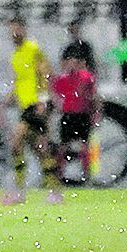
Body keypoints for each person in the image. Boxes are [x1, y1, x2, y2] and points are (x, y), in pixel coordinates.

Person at [2, 17, 55, 204]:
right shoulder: (15, 56)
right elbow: (19, 82)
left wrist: (43, 99)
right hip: (25, 105)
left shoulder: (33, 49)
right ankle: (54, 190)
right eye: (11, 30)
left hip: (37, 104)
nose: (14, 33)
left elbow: (46, 72)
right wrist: (4, 105)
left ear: (23, 30)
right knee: (39, 147)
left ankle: (19, 191)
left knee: (17, 141)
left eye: (17, 29)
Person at [51, 43, 98, 188]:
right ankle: (60, 176)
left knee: (84, 147)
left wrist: (95, 114)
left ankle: (86, 176)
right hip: (69, 115)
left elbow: (93, 97)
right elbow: (54, 92)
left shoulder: (86, 77)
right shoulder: (64, 79)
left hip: (82, 115)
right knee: (64, 147)